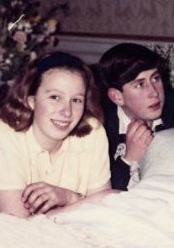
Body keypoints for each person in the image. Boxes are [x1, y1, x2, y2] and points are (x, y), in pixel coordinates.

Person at [0, 51, 111, 218]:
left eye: (76, 100)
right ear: (31, 101)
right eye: (55, 97)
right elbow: (18, 226)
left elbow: (106, 209)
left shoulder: (92, 132)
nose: (67, 112)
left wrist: (69, 197)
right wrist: (81, 204)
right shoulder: (6, 135)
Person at [95, 42, 174, 190]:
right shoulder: (99, 126)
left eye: (155, 78)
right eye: (140, 84)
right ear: (117, 97)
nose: (154, 92)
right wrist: (129, 159)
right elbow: (97, 191)